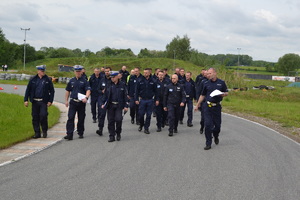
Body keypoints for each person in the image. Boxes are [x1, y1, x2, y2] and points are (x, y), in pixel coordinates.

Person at [195, 68, 228, 150]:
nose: (208, 75)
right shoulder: (206, 83)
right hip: (207, 106)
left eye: (210, 73)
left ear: (215, 73)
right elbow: (202, 95)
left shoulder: (221, 83)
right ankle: (208, 143)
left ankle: (216, 135)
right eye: (208, 74)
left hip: (216, 107)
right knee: (208, 125)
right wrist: (197, 104)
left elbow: (226, 92)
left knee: (217, 126)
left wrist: (223, 94)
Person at [24, 65, 55, 139]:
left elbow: (52, 91)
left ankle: (44, 131)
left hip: (43, 101)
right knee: (35, 117)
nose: (43, 72)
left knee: (43, 116)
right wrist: (26, 100)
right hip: (35, 101)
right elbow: (28, 90)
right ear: (38, 71)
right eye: (41, 71)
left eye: (43, 71)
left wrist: (50, 101)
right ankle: (37, 133)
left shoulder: (47, 80)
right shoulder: (33, 79)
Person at [64, 65, 91, 140]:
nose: (78, 73)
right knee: (70, 117)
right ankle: (69, 134)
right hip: (73, 101)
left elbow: (88, 90)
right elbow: (67, 91)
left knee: (81, 118)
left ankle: (80, 132)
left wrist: (86, 97)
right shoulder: (72, 80)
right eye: (76, 71)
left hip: (81, 102)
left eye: (79, 71)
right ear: (74, 72)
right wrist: (66, 100)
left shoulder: (85, 81)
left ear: (81, 72)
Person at [101, 72, 129, 142]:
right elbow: (105, 95)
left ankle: (118, 133)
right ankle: (111, 136)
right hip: (110, 105)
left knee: (119, 120)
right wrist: (102, 103)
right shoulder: (109, 84)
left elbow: (125, 96)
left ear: (117, 77)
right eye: (111, 77)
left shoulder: (122, 85)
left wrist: (126, 105)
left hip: (119, 105)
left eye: (113, 77)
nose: (112, 79)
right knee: (110, 121)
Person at [135, 68, 158, 134]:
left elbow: (156, 91)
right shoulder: (140, 80)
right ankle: (141, 124)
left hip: (150, 100)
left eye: (146, 73)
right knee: (141, 114)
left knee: (148, 115)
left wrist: (156, 100)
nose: (145, 74)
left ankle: (146, 128)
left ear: (149, 73)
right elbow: (136, 91)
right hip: (142, 100)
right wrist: (136, 99)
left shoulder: (153, 81)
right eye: (144, 72)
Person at [96, 67, 112, 136]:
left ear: (110, 72)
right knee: (101, 115)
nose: (106, 73)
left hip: (111, 100)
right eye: (105, 71)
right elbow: (98, 89)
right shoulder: (102, 80)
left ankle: (110, 129)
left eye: (108, 71)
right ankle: (100, 129)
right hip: (103, 99)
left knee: (110, 117)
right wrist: (101, 91)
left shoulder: (113, 79)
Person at [196, 70, 208, 134]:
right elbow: (199, 91)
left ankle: (209, 129)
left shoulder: (214, 82)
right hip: (203, 101)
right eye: (205, 74)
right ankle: (202, 126)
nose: (206, 75)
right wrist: (198, 102)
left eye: (208, 73)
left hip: (211, 102)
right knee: (203, 117)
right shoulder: (203, 81)